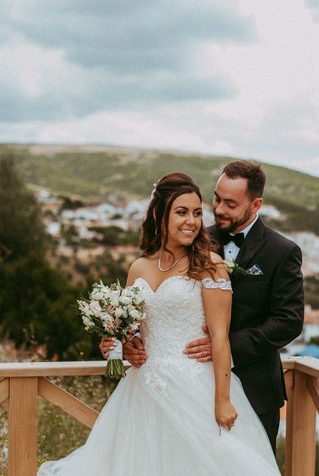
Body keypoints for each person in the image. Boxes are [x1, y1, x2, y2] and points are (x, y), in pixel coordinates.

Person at [39, 173, 280, 475]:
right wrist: (123, 346)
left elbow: (220, 337)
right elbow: (134, 331)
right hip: (142, 392)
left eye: (196, 213)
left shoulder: (210, 264)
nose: (191, 221)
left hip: (195, 391)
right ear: (159, 214)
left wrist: (222, 400)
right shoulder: (138, 267)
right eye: (181, 212)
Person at [117, 161, 305, 453]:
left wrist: (228, 346)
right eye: (216, 198)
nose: (218, 210)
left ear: (256, 204)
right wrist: (132, 342)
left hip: (254, 386)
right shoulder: (195, 239)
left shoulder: (282, 252)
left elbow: (289, 321)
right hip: (177, 387)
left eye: (230, 203)